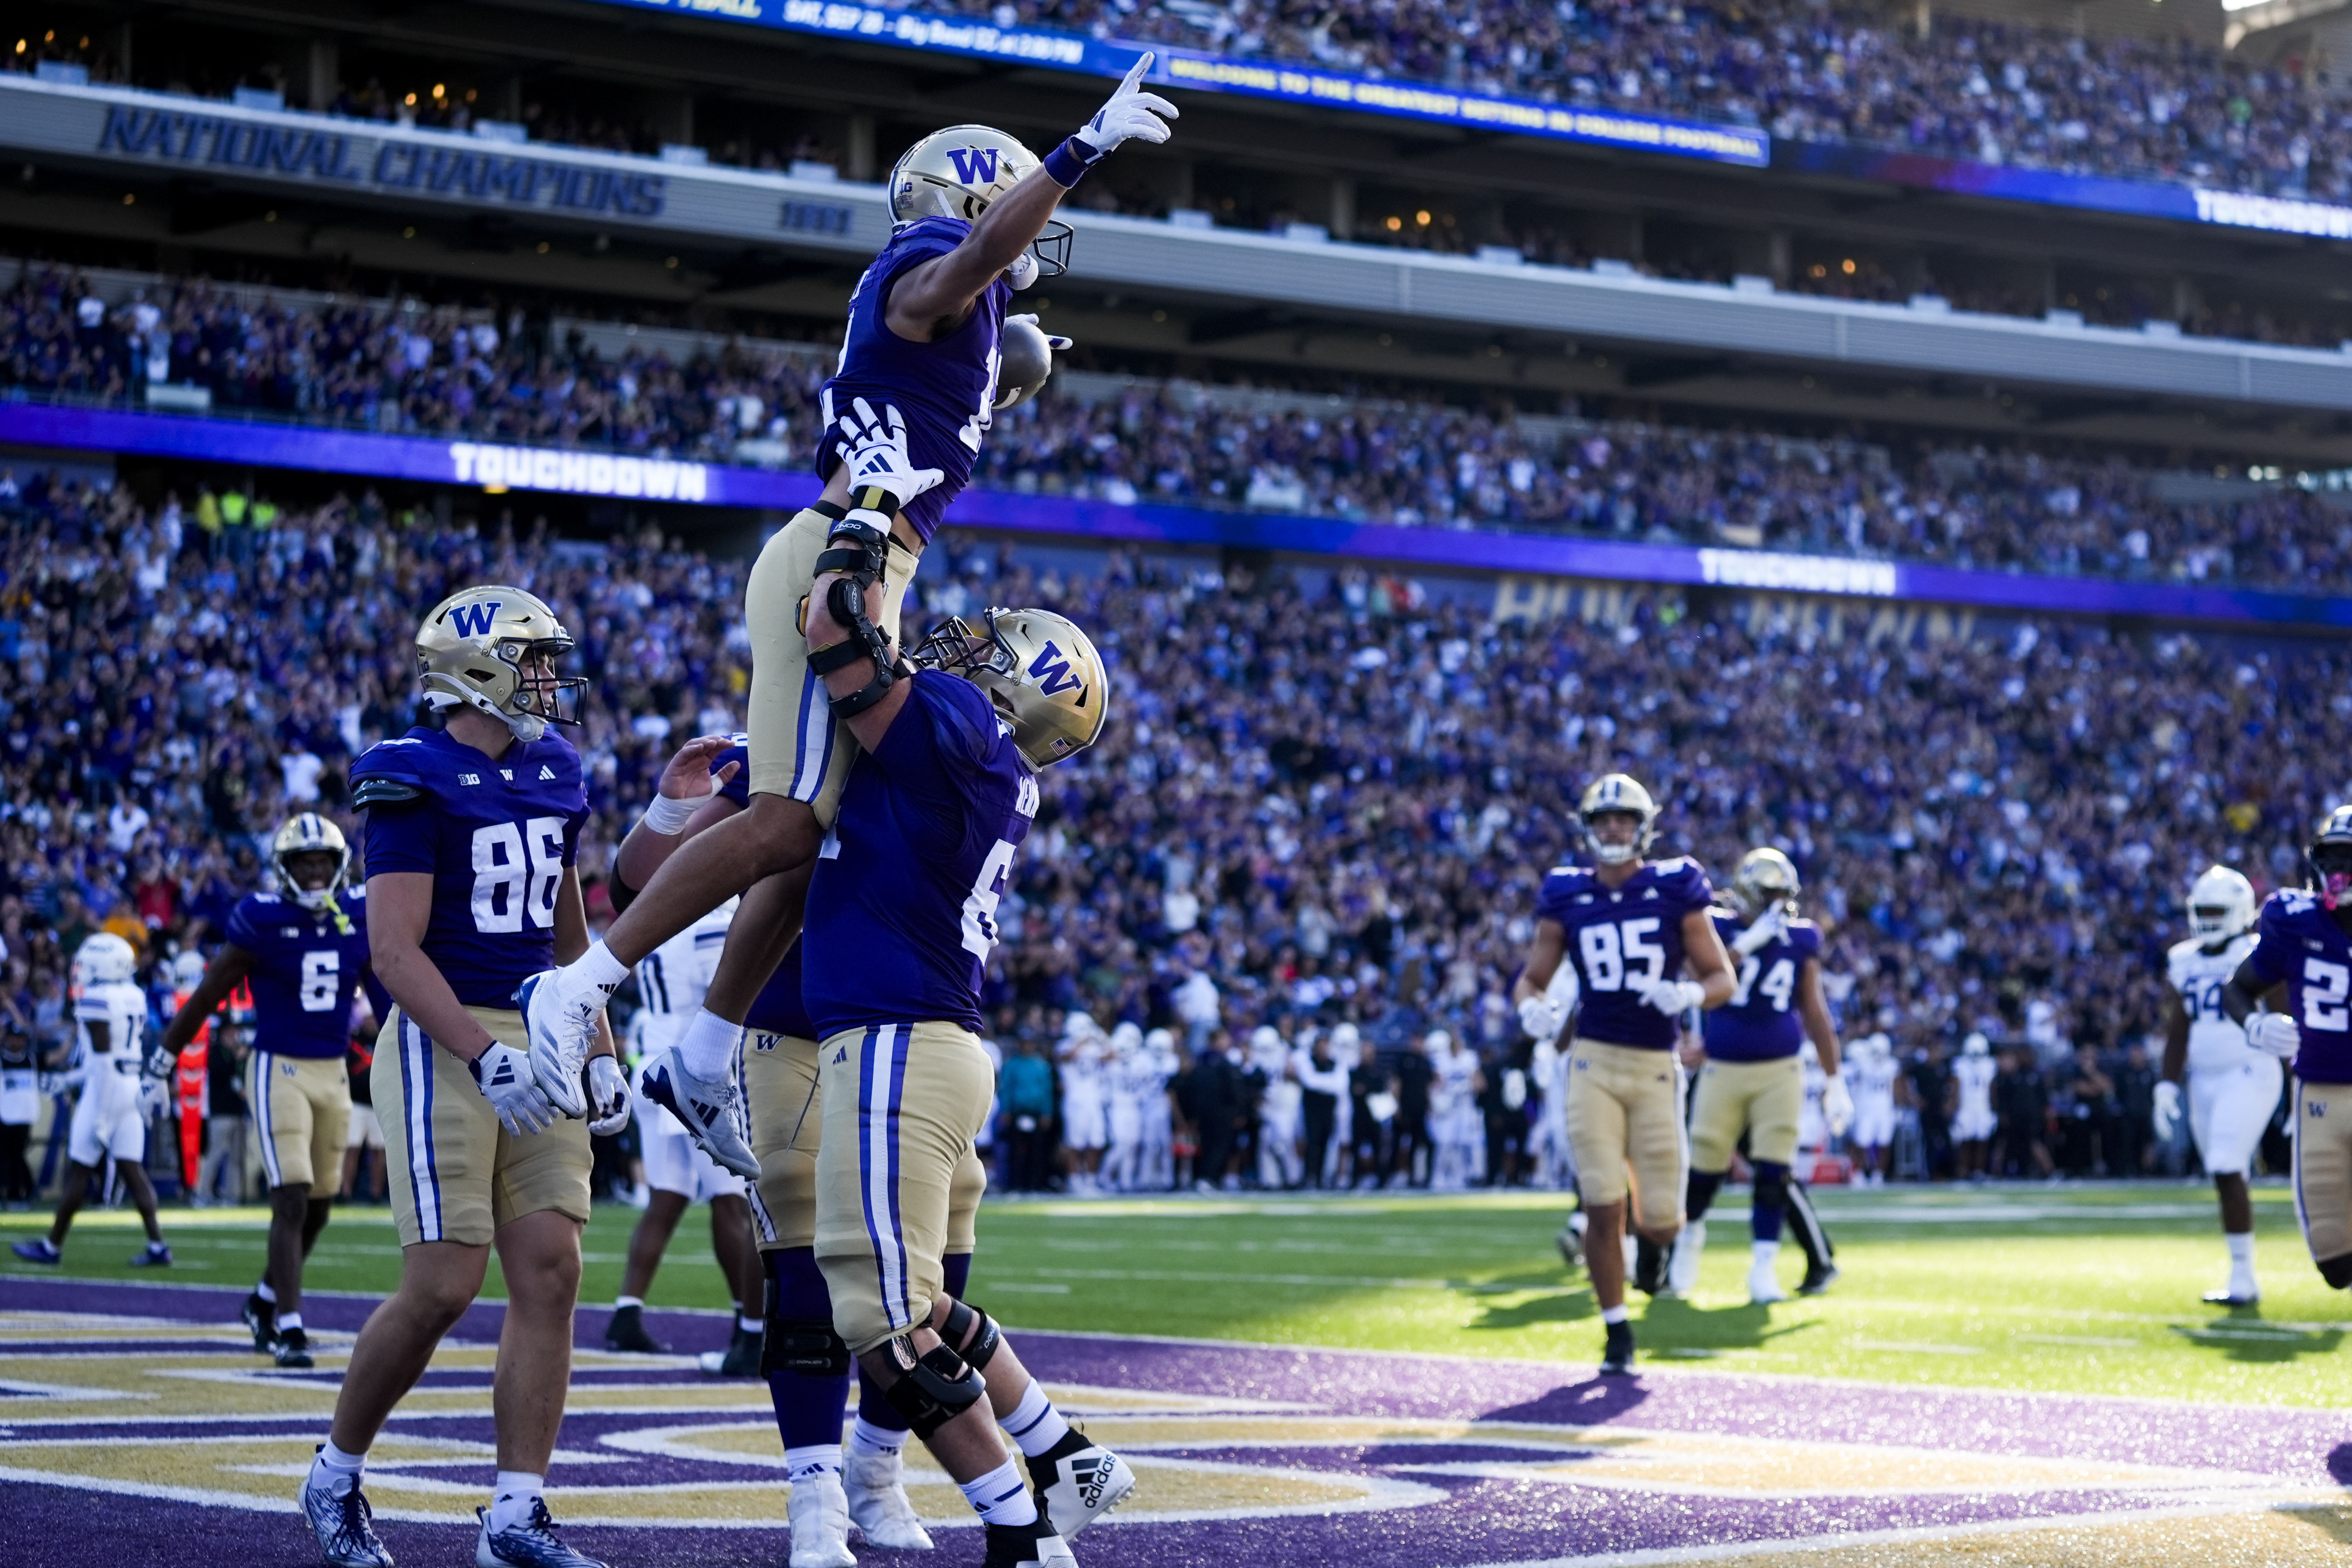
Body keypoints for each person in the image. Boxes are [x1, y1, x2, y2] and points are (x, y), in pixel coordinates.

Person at [520, 66, 1180, 1166]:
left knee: (812, 824)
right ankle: (585, 981)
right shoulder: (925, 264)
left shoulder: (955, 316)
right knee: (784, 818)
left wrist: (1008, 358)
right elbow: (960, 273)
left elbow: (966, 337)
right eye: (1013, 220)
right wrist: (1077, 153)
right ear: (977, 207)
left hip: (870, 546)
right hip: (845, 547)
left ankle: (697, 1054)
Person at [800, 590, 1135, 1568]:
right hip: (932, 1043)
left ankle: (1020, 1530)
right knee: (918, 1298)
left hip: (897, 1039)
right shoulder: (991, 758)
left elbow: (839, 649)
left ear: (1019, 684)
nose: (965, 644)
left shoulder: (962, 725)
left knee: (880, 1316)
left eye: (994, 646)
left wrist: (859, 546)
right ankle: (1057, 1450)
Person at [297, 585, 628, 1568]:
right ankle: (335, 1472)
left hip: (545, 1026)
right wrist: (486, 1057)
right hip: (445, 1031)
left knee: (553, 1272)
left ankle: (516, 1512)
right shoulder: (409, 770)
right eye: (534, 661)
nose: (551, 680)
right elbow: (394, 953)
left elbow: (569, 932)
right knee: (444, 1279)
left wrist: (599, 1046)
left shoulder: (555, 767)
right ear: (477, 667)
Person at [1512, 774, 1734, 1375]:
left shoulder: (1673, 885)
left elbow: (1722, 978)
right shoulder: (1565, 892)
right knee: (1603, 1202)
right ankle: (1615, 1329)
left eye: (1623, 818)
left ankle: (1651, 1260)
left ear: (1642, 825)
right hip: (1592, 1060)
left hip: (1656, 1065)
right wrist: (1530, 1006)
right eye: (1602, 818)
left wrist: (1685, 991)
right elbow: (1532, 977)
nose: (1612, 828)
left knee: (1661, 1219)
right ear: (1587, 825)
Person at [156, 814, 375, 1368]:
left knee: (322, 1207)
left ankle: (263, 1300)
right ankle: (291, 1327)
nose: (316, 871)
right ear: (286, 869)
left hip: (334, 1071)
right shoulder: (262, 919)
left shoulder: (357, 914)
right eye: (305, 862)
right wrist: (166, 1053)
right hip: (278, 1068)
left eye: (324, 861)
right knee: (292, 1197)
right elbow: (209, 995)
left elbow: (385, 987)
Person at [600, 784, 764, 1373]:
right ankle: (750, 1330)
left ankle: (625, 1312)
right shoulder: (713, 911)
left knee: (666, 1197)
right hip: (692, 1063)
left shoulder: (658, 903)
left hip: (650, 1054)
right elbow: (730, 987)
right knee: (731, 1200)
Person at [1667, 850, 1848, 1304]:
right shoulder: (1717, 927)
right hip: (1722, 1067)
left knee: (1774, 1170)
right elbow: (1698, 980)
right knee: (1704, 1170)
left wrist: (1834, 1078)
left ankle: (1764, 1268)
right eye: (1769, 893)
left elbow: (1814, 1009)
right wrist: (1743, 947)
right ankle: (1688, 1243)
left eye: (1783, 895)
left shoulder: (1800, 938)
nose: (1777, 903)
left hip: (1779, 1068)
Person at [2224, 809, 2352, 1296]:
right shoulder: (2295, 921)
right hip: (2318, 1095)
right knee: (2335, 1263)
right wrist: (2256, 1025)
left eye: (2351, 859)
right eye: (2333, 858)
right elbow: (2236, 989)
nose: (2341, 871)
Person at [11, 933, 172, 1267]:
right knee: (132, 1168)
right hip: (130, 1084)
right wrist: (66, 1079)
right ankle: (158, 1246)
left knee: (81, 1169)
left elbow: (100, 1063)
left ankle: (52, 1247)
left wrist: (100, 1113)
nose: (80, 969)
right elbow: (115, 1057)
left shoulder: (96, 998)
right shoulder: (134, 994)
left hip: (106, 1090)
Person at [2155, 865, 2274, 1304]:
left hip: (2250, 1069)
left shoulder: (2258, 949)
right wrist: (2166, 1085)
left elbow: (2284, 1018)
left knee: (2226, 1163)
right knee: (2226, 1174)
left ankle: (2244, 1278)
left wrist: (2302, 1084)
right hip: (2203, 1079)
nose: (2206, 918)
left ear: (2240, 911)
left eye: (2215, 910)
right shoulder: (2182, 958)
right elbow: (2178, 1029)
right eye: (2200, 910)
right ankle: (2242, 1274)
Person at [1846, 1033, 1901, 1186]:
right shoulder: (1862, 1064)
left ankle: (1878, 1174)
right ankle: (1860, 1173)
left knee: (1884, 1143)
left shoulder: (1892, 1065)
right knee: (1861, 1142)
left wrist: (1897, 1107)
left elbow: (1895, 1087)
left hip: (1885, 1108)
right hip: (1866, 1108)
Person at [1950, 1031, 1997, 1179]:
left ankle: (1978, 1171)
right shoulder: (1960, 1064)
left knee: (1981, 1142)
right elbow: (1956, 1087)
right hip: (1966, 1106)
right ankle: (1963, 1170)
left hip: (1983, 1106)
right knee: (1965, 1141)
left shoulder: (1990, 1064)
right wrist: (1953, 1105)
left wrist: (1994, 1108)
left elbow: (1992, 1088)